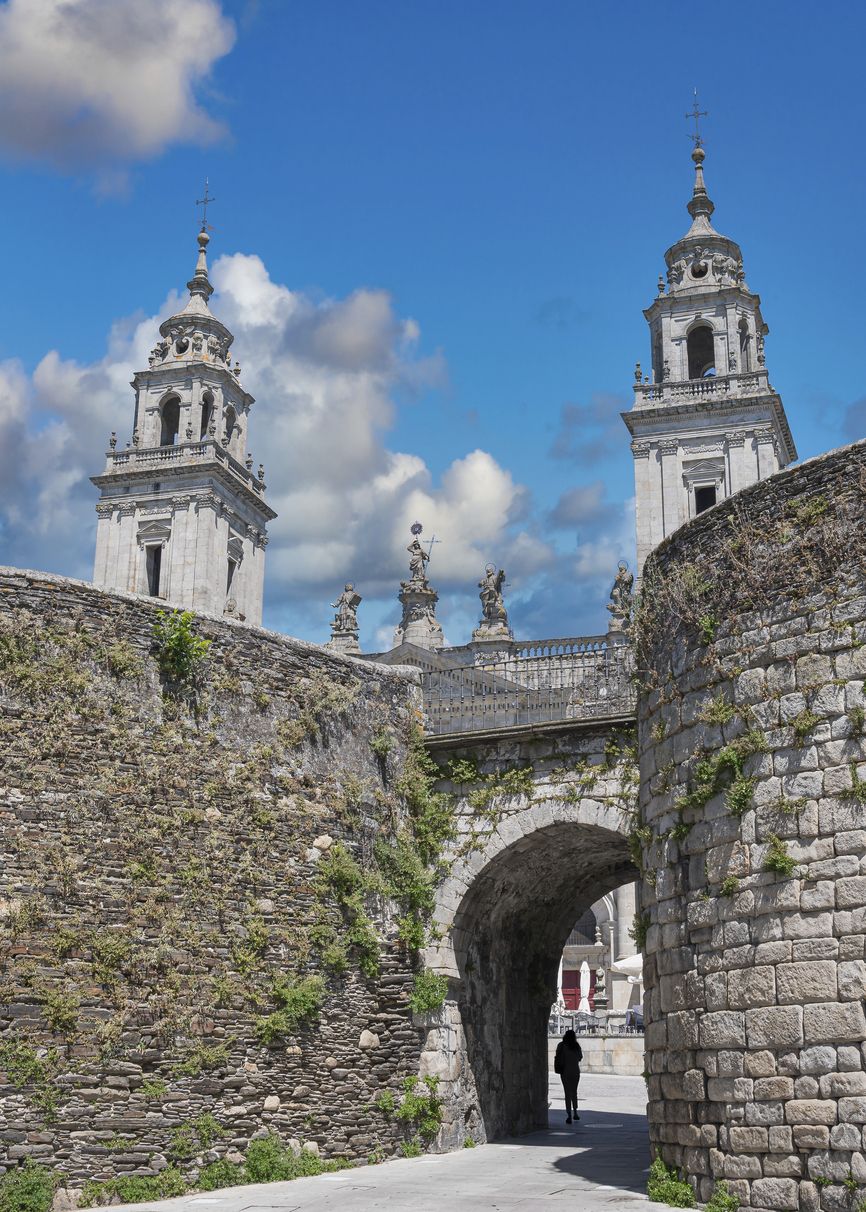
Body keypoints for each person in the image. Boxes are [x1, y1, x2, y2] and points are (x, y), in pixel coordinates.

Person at [554, 1028, 583, 1124]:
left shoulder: (561, 1045)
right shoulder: (576, 1046)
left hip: (565, 1071)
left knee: (567, 1093)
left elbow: (557, 1056)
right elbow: (580, 1057)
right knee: (574, 1092)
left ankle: (569, 1115)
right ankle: (575, 1112)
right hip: (575, 1071)